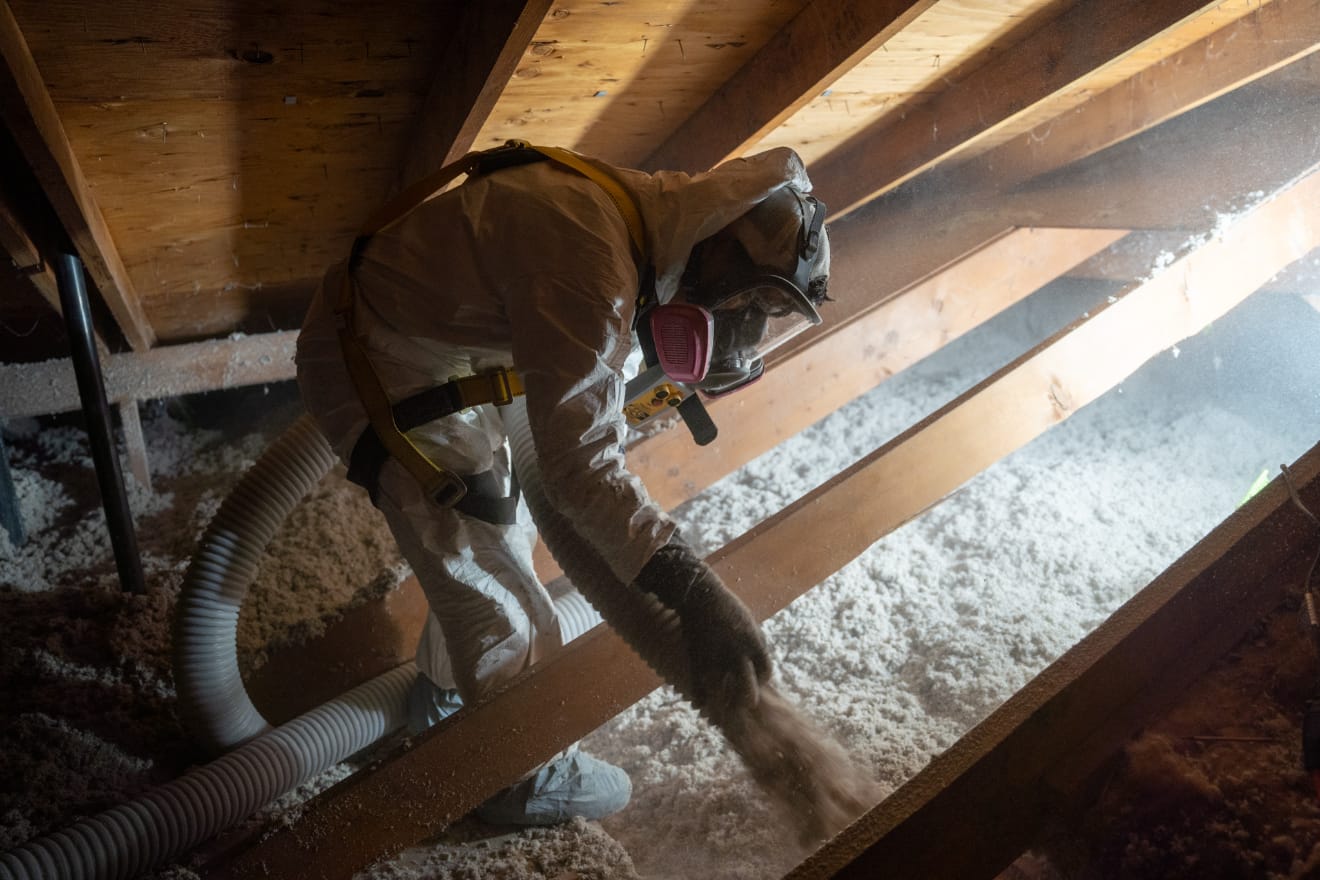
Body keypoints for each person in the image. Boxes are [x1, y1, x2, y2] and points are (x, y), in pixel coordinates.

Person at [295, 141, 831, 826]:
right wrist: (692, 592)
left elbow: (583, 379)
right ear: (722, 239)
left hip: (440, 337)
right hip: (378, 355)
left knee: (502, 527)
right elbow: (579, 469)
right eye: (751, 300)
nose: (743, 323)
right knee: (480, 545)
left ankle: (444, 701)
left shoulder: (639, 225)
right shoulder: (594, 260)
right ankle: (509, 776)